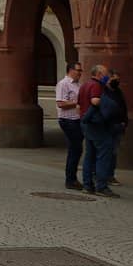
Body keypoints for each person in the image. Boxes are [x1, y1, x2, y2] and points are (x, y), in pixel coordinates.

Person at [77, 64, 119, 197]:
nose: (107, 77)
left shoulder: (84, 85)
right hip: (97, 124)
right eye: (106, 74)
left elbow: (79, 105)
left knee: (90, 155)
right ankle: (102, 186)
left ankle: (87, 184)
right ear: (99, 74)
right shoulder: (96, 85)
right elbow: (95, 101)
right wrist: (109, 104)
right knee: (104, 153)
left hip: (87, 122)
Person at [55, 62, 84, 190]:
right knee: (75, 149)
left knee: (76, 149)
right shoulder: (63, 84)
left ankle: (72, 178)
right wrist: (77, 103)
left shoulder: (78, 84)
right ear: (70, 70)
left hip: (76, 119)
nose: (80, 72)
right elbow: (60, 103)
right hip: (67, 120)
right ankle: (70, 179)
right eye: (78, 70)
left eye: (81, 70)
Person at [103, 70, 128, 185]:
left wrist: (124, 122)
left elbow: (123, 108)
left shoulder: (118, 92)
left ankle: (110, 175)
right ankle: (103, 175)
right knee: (106, 151)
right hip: (108, 126)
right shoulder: (103, 91)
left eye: (118, 80)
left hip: (118, 125)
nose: (117, 81)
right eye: (114, 79)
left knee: (113, 152)